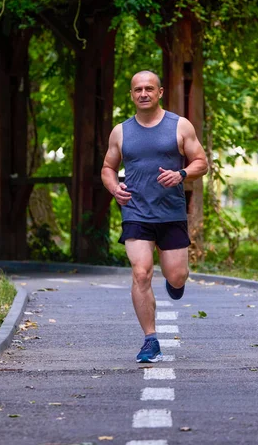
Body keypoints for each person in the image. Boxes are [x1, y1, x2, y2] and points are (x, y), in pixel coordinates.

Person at [101, 70, 208, 362]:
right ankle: (150, 340)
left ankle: (176, 283)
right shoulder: (121, 131)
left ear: (160, 92)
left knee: (176, 275)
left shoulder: (179, 126)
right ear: (132, 95)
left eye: (149, 88)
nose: (143, 93)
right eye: (138, 89)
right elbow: (108, 167)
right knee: (141, 273)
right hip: (135, 210)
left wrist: (181, 173)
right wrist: (114, 188)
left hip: (170, 213)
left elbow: (202, 162)